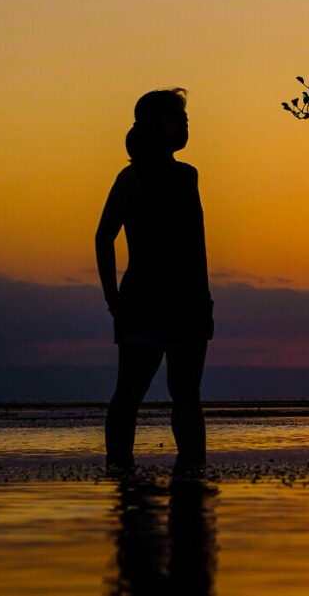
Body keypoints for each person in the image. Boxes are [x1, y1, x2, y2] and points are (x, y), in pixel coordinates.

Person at [96, 88, 213, 470]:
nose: (184, 124)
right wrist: (113, 298)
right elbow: (103, 236)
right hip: (146, 303)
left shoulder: (186, 176)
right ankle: (120, 472)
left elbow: (196, 248)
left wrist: (203, 299)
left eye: (184, 118)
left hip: (186, 303)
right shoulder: (132, 179)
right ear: (154, 125)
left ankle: (192, 479)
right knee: (131, 394)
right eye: (176, 118)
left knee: (185, 396)